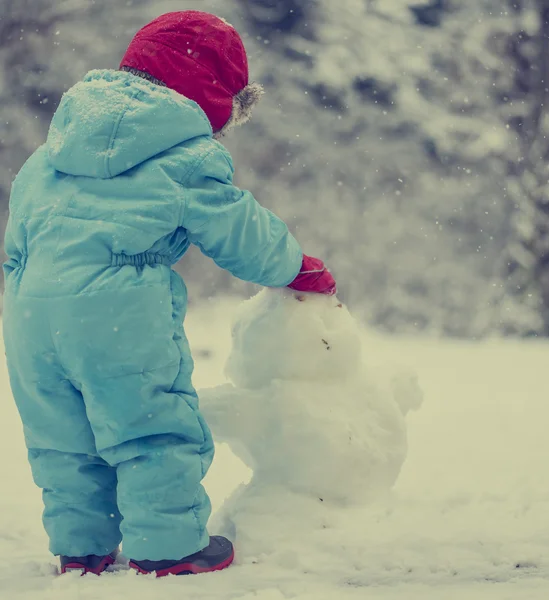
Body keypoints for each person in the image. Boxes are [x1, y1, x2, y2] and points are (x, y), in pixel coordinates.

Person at [2, 11, 336, 578]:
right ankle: (168, 546)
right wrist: (293, 267)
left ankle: (82, 548)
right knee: (151, 427)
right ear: (210, 94)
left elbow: (16, 239)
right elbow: (239, 229)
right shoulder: (185, 157)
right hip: (118, 313)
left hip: (29, 313)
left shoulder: (52, 152)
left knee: (63, 439)